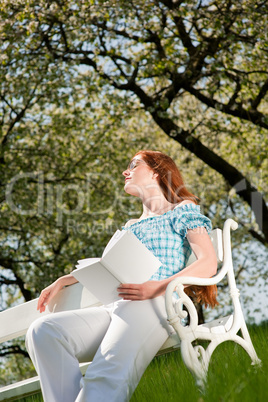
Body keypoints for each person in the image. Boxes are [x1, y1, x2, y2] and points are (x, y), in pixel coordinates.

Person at [26, 150, 218, 402]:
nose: (125, 172)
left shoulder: (182, 210)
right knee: (43, 331)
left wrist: (158, 287)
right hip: (116, 307)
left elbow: (208, 263)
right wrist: (66, 279)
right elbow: (108, 267)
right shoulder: (129, 226)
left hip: (156, 306)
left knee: (104, 374)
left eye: (134, 165)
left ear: (156, 172)